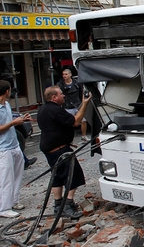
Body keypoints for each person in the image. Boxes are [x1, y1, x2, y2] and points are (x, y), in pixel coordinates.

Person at [37, 85, 91, 219]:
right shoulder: (55, 110)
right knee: (74, 175)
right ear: (54, 97)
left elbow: (56, 126)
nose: (64, 96)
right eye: (61, 94)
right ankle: (67, 204)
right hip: (59, 150)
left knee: (57, 177)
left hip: (51, 148)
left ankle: (58, 205)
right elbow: (76, 121)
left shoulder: (43, 109)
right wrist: (84, 104)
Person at [0, 80, 30, 218]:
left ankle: (14, 201)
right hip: (3, 148)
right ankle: (3, 208)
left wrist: (21, 119)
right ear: (7, 91)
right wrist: (13, 122)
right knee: (6, 178)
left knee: (17, 175)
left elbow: (8, 120)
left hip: (14, 145)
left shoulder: (6, 104)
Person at [57, 69, 89, 142]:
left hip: (77, 105)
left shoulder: (77, 83)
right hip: (67, 106)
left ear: (70, 74)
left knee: (83, 120)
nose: (64, 76)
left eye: (66, 74)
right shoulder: (60, 84)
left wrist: (82, 102)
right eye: (63, 74)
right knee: (68, 123)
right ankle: (68, 138)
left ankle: (84, 136)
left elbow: (81, 93)